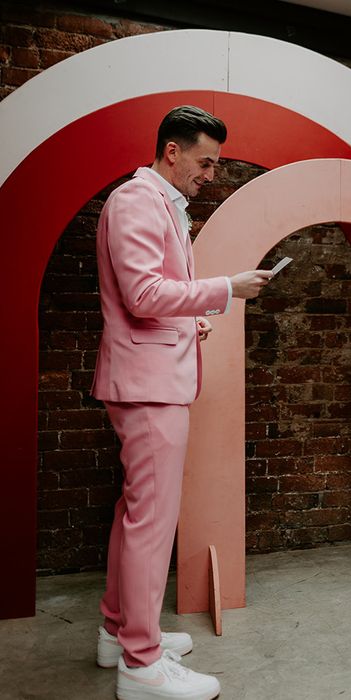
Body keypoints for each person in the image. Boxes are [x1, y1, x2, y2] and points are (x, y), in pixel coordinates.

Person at [91, 105, 273, 699]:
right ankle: (140, 666)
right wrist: (225, 290)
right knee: (152, 523)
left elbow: (147, 296)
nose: (211, 173)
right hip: (148, 386)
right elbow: (142, 293)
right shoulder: (136, 201)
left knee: (136, 516)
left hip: (151, 378)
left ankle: (119, 633)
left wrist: (190, 317)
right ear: (172, 151)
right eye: (205, 161)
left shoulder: (157, 203)